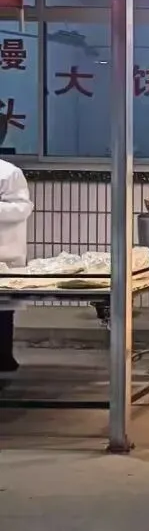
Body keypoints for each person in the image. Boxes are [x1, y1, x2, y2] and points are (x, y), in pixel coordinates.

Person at [0, 158, 33, 373]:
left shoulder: (8, 172)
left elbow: (22, 208)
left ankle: (3, 358)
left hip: (4, 254)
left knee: (2, 312)